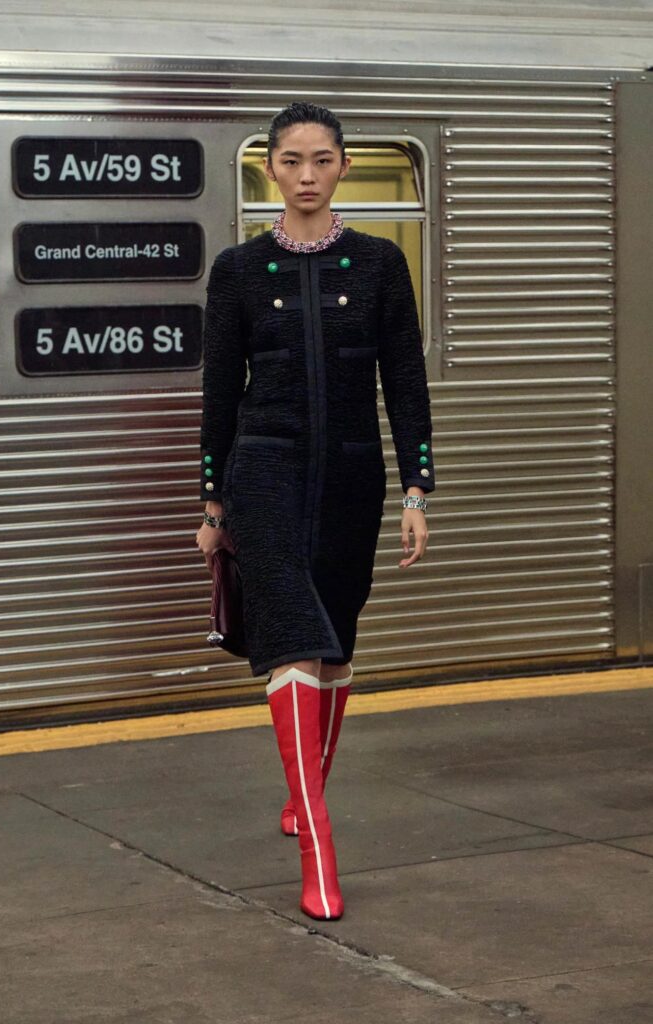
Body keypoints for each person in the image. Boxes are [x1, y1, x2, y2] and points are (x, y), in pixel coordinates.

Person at [195, 101, 435, 921]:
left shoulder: (378, 264)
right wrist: (212, 501)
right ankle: (319, 841)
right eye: (291, 160)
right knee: (294, 642)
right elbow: (219, 392)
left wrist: (416, 489)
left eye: (321, 160)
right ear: (268, 167)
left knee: (334, 645)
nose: (306, 175)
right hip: (263, 469)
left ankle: (303, 797)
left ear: (341, 166)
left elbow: (404, 381)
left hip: (351, 475)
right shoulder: (236, 269)